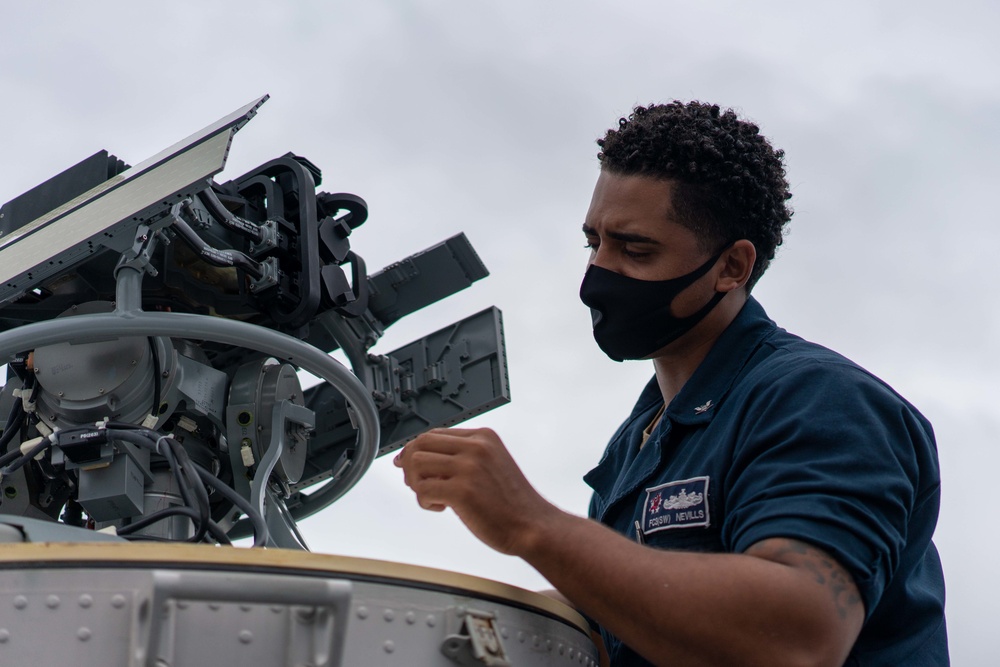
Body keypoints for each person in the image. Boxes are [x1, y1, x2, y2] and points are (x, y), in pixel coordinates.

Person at [394, 101, 948, 666]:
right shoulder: (640, 439)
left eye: (636, 250)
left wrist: (530, 524)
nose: (596, 278)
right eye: (594, 243)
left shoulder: (820, 401)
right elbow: (630, 625)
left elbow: (799, 637)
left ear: (732, 267)